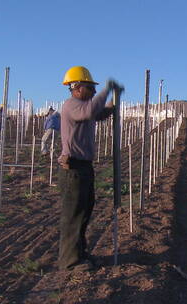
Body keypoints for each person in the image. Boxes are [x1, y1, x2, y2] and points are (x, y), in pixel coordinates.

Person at [57, 66, 123, 272]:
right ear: (76, 87)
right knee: (73, 216)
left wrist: (112, 106)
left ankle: (80, 254)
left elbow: (98, 114)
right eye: (90, 88)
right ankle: (70, 262)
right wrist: (107, 90)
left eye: (95, 89)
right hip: (73, 169)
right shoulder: (72, 105)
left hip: (84, 168)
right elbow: (90, 111)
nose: (94, 92)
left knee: (84, 214)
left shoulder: (83, 106)